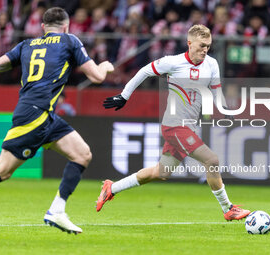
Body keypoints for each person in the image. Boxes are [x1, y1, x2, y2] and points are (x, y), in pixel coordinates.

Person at [0, 7, 114, 234]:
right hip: (35, 116)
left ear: (43, 27)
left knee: (82, 154)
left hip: (44, 115)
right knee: (3, 170)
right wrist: (105, 66)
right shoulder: (69, 40)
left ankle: (57, 211)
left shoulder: (27, 45)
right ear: (66, 26)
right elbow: (96, 76)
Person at [97, 24, 250, 221]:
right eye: (202, 45)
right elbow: (144, 71)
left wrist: (225, 110)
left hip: (189, 126)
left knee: (161, 172)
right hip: (174, 126)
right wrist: (124, 96)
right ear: (189, 43)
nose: (205, 50)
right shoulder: (173, 62)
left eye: (208, 46)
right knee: (211, 160)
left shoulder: (212, 64)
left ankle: (112, 188)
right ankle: (228, 209)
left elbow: (215, 90)